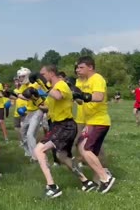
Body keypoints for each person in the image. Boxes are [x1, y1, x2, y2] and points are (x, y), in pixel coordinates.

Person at [34, 65, 98, 198]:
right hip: (61, 125)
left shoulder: (61, 84)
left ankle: (52, 187)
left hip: (64, 126)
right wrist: (35, 98)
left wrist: (44, 86)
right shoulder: (53, 88)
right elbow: (46, 106)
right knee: (63, 156)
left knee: (38, 150)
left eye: (43, 74)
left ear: (51, 73)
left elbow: (57, 96)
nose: (41, 77)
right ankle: (86, 182)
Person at [74, 56, 115, 193]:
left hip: (99, 121)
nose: (78, 70)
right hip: (90, 121)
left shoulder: (97, 78)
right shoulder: (83, 81)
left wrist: (84, 95)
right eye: (77, 67)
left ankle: (105, 177)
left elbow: (99, 97)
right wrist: (77, 96)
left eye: (81, 67)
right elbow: (82, 102)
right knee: (85, 149)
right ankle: (100, 179)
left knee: (85, 149)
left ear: (90, 67)